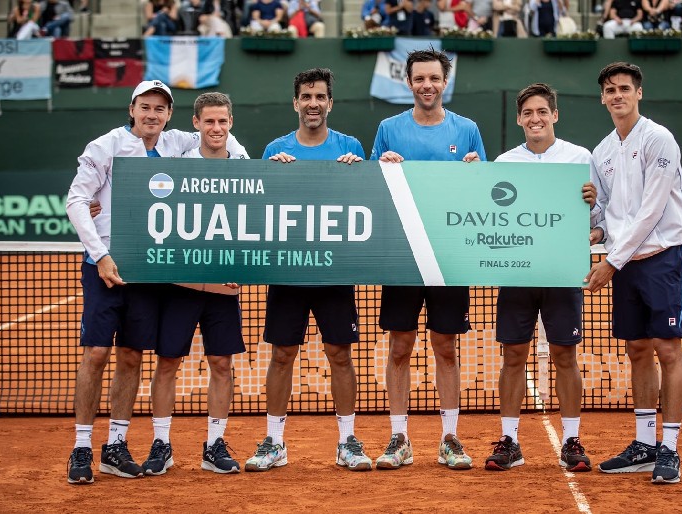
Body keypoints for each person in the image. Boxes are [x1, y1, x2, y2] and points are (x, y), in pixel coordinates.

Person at [65, 79, 247, 485]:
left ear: (169, 115)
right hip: (105, 265)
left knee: (131, 356)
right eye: (145, 107)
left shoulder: (175, 142)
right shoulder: (105, 146)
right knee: (96, 353)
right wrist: (101, 255)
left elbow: (222, 139)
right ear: (132, 109)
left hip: (149, 270)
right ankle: (81, 446)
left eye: (160, 109)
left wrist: (246, 160)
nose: (152, 115)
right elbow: (76, 201)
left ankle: (115, 447)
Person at [243, 68, 373, 473]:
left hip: (335, 271)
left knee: (340, 354)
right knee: (282, 354)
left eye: (319, 97)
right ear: (295, 103)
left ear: (329, 103)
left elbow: (367, 202)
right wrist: (273, 173)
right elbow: (262, 207)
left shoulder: (350, 146)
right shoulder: (275, 149)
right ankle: (274, 443)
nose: (312, 103)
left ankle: (347, 442)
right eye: (306, 96)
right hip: (289, 271)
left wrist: (357, 171)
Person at [369, 48, 486, 471]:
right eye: (419, 78)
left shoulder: (467, 130)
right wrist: (381, 164)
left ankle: (449, 439)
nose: (427, 85)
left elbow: (483, 192)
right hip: (403, 255)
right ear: (409, 82)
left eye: (434, 78)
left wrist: (477, 170)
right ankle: (398, 438)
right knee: (400, 346)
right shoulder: (388, 128)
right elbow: (371, 188)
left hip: (449, 256)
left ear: (445, 82)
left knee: (445, 347)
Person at [484, 83, 600, 472]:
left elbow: (599, 217)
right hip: (517, 272)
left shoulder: (580, 158)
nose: (535, 119)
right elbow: (491, 216)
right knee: (514, 355)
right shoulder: (504, 162)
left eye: (542, 112)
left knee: (565, 355)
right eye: (528, 113)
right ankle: (510, 441)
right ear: (519, 119)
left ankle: (571, 440)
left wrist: (593, 206)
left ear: (555, 115)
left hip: (562, 271)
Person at [585, 62, 682, 485]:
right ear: (603, 98)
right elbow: (609, 213)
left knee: (668, 349)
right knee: (637, 350)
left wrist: (610, 261)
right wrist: (593, 230)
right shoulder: (601, 152)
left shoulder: (658, 138)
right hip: (625, 262)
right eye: (610, 90)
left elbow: (651, 210)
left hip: (661, 257)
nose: (617, 95)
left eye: (624, 88)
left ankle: (670, 448)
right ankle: (645, 446)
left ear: (638, 93)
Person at [140, 92, 248, 477]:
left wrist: (240, 265)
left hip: (224, 287)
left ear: (230, 123)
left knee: (221, 363)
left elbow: (254, 222)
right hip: (180, 286)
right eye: (209, 121)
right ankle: (161, 444)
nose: (216, 128)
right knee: (168, 361)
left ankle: (214, 445)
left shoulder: (244, 166)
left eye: (222, 121)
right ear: (196, 123)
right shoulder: (178, 164)